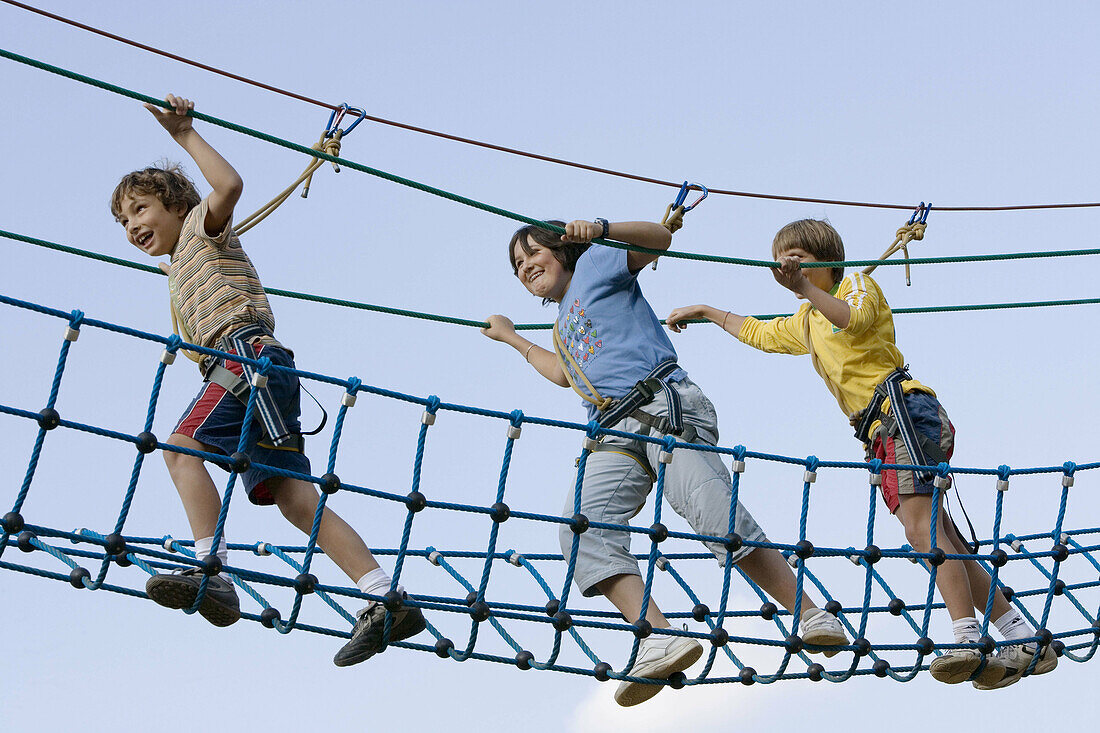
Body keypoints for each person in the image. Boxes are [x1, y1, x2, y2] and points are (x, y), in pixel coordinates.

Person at [666, 218, 1057, 689]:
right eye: (782, 262)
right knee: (943, 537)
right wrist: (707, 310)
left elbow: (852, 319)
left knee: (923, 530)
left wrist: (807, 288)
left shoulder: (858, 285)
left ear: (830, 261)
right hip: (881, 428)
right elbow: (760, 333)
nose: (788, 268)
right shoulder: (806, 322)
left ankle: (966, 637)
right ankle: (1021, 637)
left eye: (801, 260)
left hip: (903, 412)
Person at [110, 94, 424, 666]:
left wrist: (185, 135)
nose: (132, 224)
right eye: (124, 220)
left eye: (141, 209)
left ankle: (212, 570)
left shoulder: (203, 231)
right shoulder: (180, 260)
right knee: (293, 497)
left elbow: (228, 185)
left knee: (180, 450)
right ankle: (385, 598)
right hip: (259, 367)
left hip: (245, 361)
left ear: (179, 207)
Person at [482, 217, 846, 707]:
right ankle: (656, 634)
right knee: (580, 525)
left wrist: (601, 228)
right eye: (517, 266)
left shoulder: (596, 263)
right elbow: (562, 374)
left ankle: (809, 613)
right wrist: (510, 338)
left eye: (533, 254)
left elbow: (659, 240)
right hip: (612, 429)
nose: (526, 266)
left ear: (563, 248)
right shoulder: (561, 322)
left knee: (710, 512)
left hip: (661, 403)